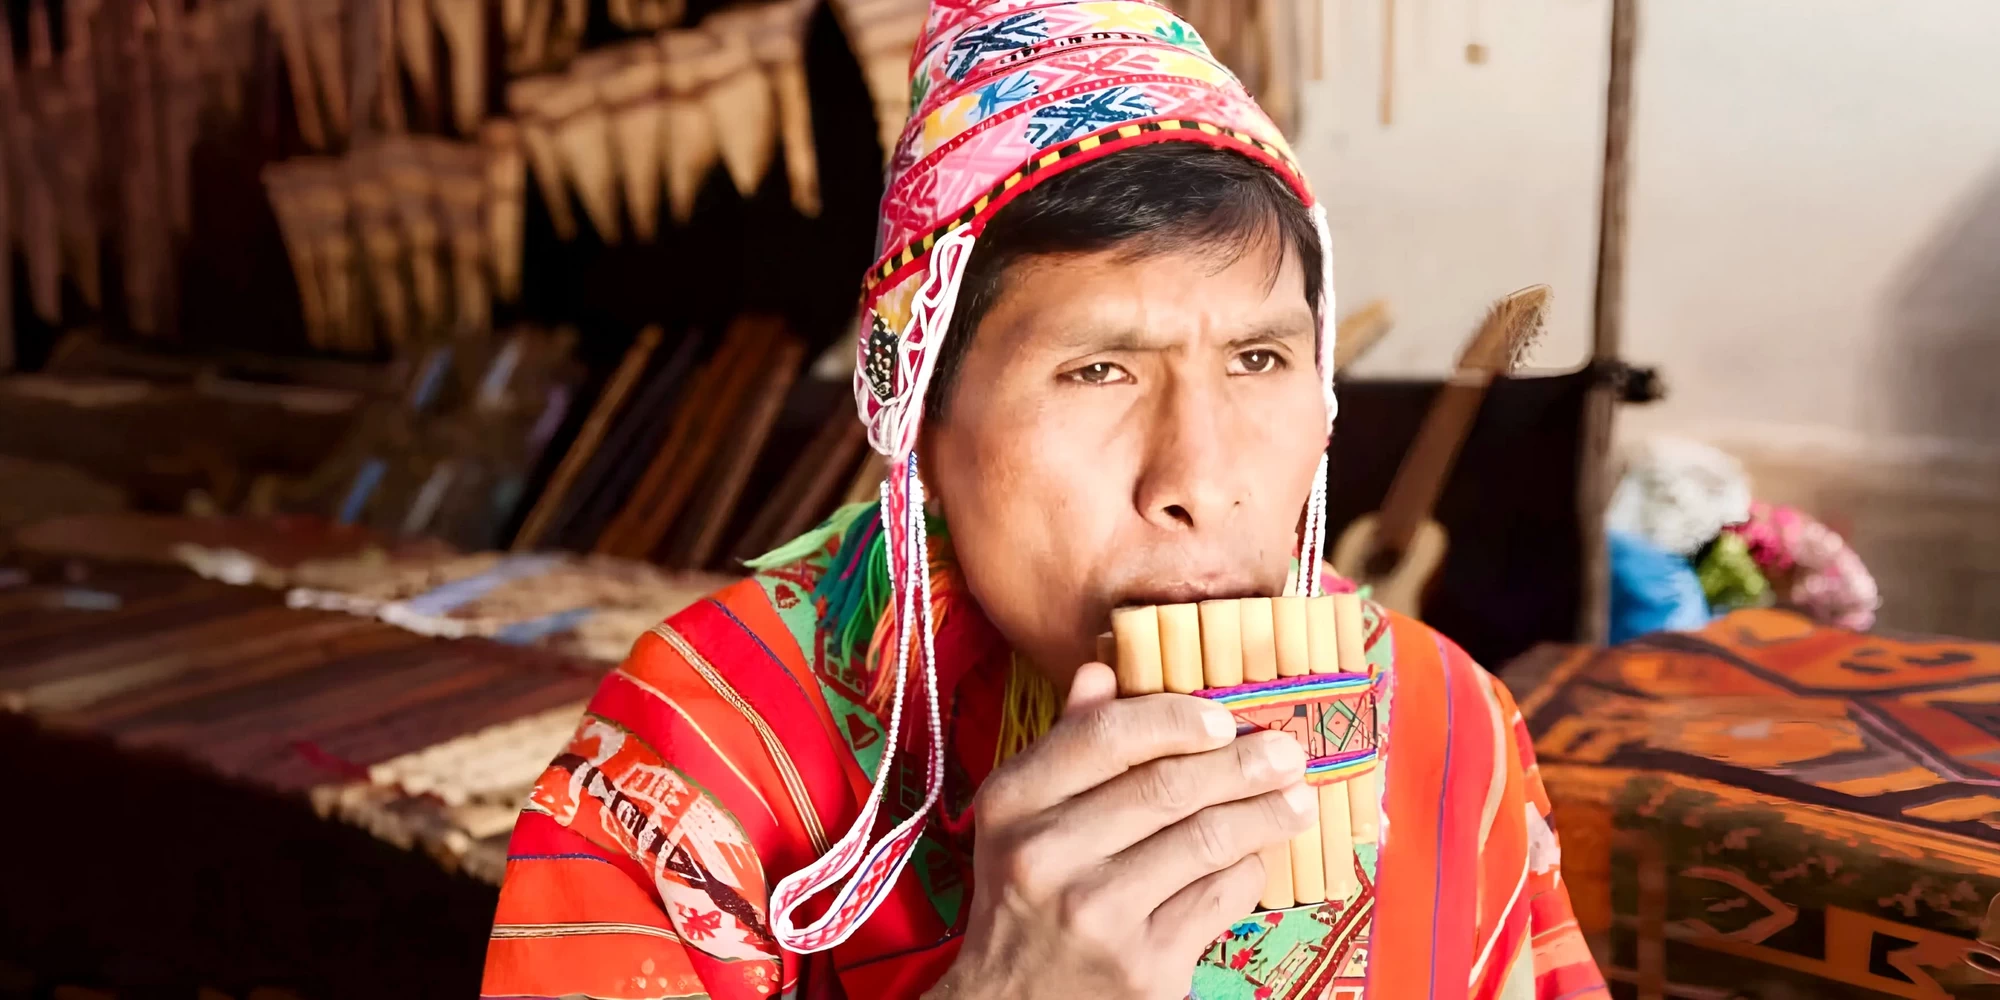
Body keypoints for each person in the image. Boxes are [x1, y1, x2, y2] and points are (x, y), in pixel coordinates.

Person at [481, 0, 1609, 996]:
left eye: (1259, 360)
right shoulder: (696, 755)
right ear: (924, 424)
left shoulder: (1446, 719)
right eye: (1097, 370)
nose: (1199, 479)